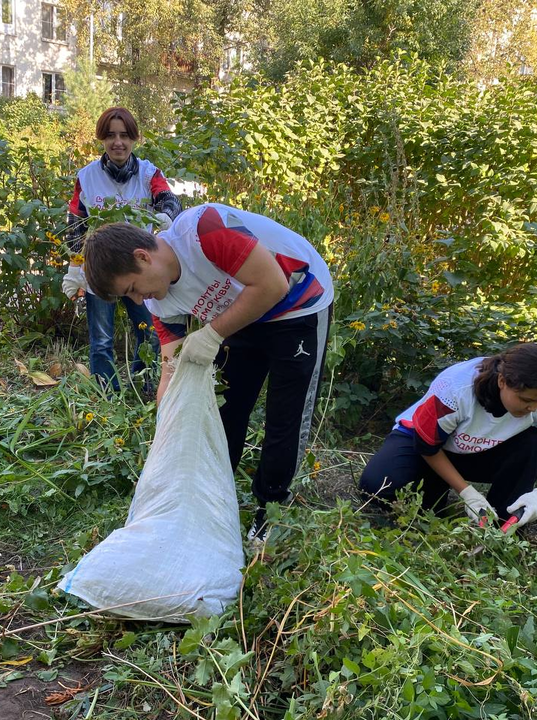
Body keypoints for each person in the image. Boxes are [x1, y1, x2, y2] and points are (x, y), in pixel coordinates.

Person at [83, 203, 334, 540]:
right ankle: (215, 500)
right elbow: (171, 368)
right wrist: (167, 424)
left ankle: (273, 510)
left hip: (298, 301)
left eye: (132, 289)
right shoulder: (160, 302)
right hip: (243, 310)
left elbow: (273, 284)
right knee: (224, 410)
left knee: (285, 414)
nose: (139, 301)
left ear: (143, 257)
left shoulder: (203, 231)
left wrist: (213, 333)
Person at [359, 343, 537, 529]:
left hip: (477, 454)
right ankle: (436, 491)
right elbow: (427, 446)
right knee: (376, 486)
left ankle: (504, 524)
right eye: (525, 400)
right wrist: (466, 492)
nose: (532, 408)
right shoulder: (456, 389)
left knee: (533, 443)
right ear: (503, 381)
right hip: (423, 444)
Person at [62, 106, 182, 393]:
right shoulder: (87, 177)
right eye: (111, 135)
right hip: (100, 268)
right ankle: (107, 394)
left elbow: (170, 201)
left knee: (148, 333)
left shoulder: (149, 174)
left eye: (125, 135)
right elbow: (76, 223)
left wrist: (164, 217)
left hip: (139, 270)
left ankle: (146, 387)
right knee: (101, 338)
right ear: (102, 139)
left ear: (134, 139)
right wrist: (76, 267)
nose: (118, 142)